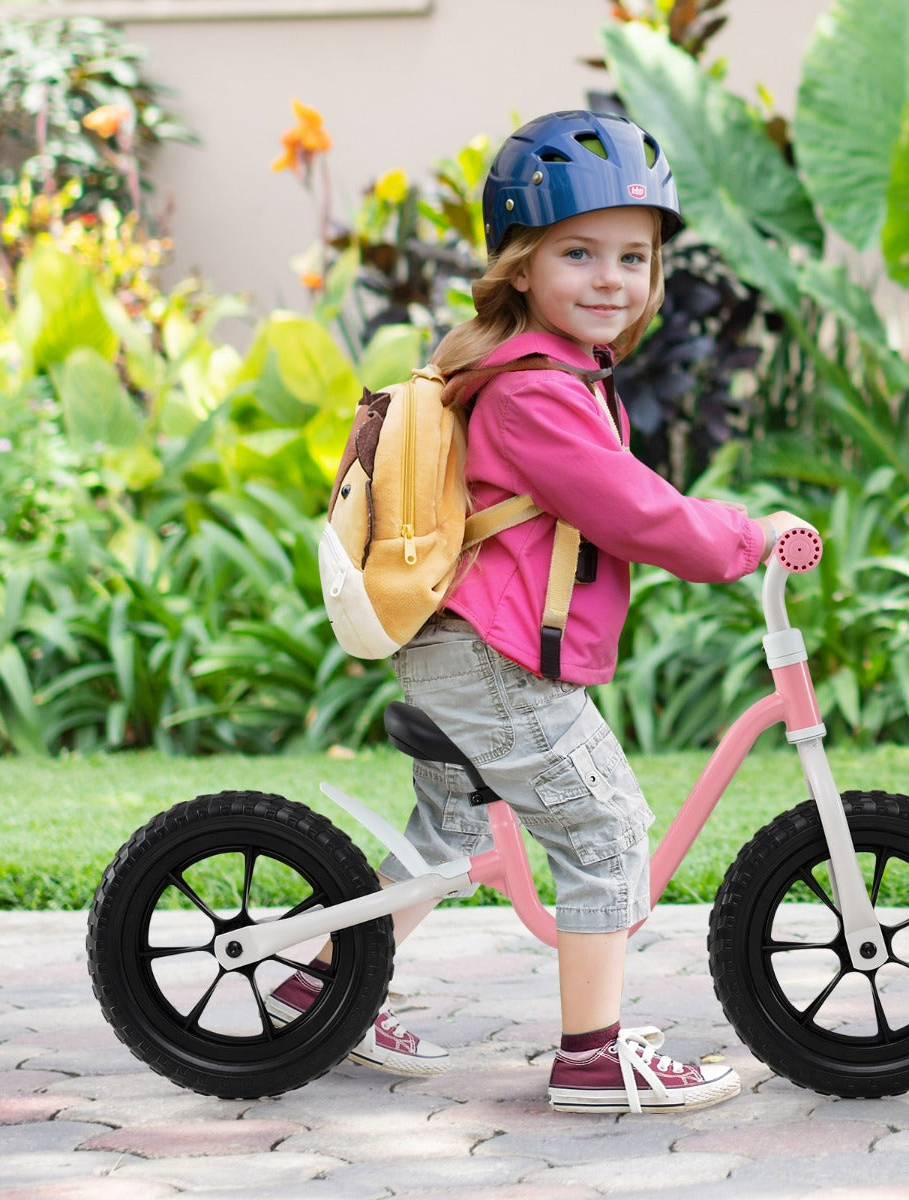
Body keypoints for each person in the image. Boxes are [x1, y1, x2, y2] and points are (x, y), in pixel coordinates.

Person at [268, 109, 794, 1114]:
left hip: (465, 645)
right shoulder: (534, 390)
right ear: (521, 265)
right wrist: (747, 535)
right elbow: (634, 511)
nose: (611, 279)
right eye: (579, 254)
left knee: (446, 829)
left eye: (633, 257)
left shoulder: (543, 370)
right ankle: (594, 1059)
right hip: (490, 656)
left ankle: (314, 990)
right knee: (602, 831)